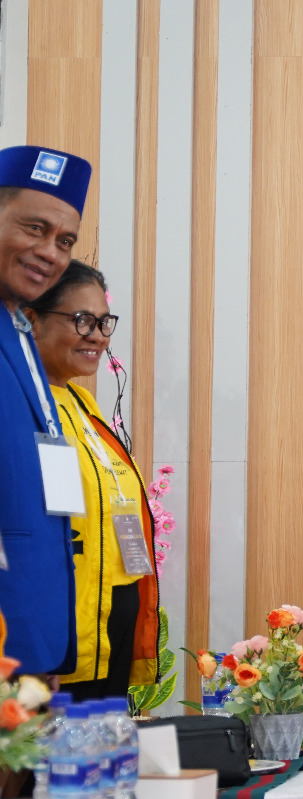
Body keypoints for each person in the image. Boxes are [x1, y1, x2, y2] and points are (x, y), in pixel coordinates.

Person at [23, 261, 159, 698]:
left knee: (99, 757)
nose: (98, 335)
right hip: (55, 629)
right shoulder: (19, 403)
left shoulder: (83, 404)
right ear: (31, 319)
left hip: (110, 619)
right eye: (83, 320)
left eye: (104, 322)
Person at [0, 145, 93, 674]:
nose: (50, 252)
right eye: (33, 229)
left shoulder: (18, 327)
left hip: (33, 640)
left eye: (64, 241)